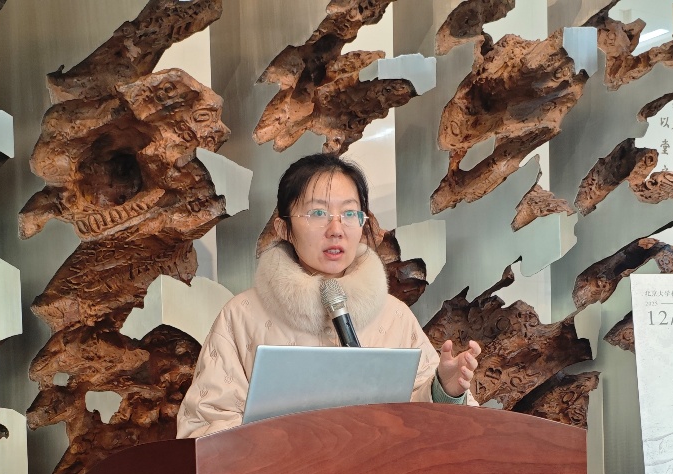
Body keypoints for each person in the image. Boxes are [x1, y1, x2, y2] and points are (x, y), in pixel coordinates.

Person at [176, 153, 481, 438]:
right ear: (283, 228)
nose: (336, 229)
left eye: (349, 213)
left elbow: (429, 429)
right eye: (318, 213)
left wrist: (444, 390)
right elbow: (202, 428)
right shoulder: (242, 314)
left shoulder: (394, 315)